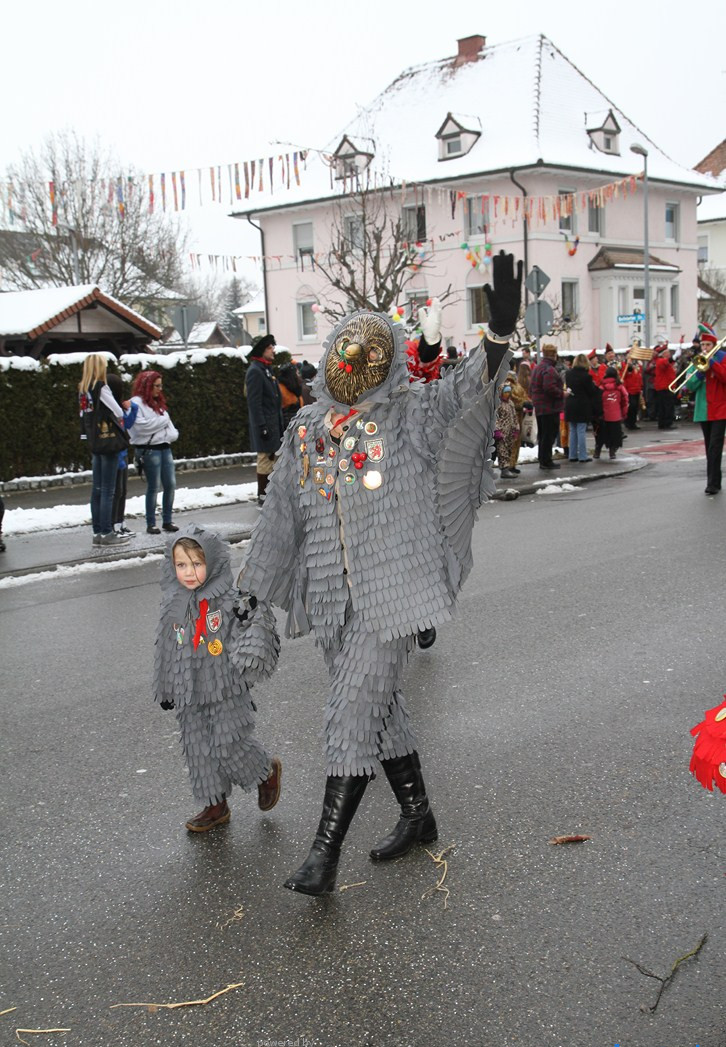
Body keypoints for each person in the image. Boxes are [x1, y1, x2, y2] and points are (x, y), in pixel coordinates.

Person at [236, 250, 522, 896]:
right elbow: (279, 520)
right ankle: (418, 811)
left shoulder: (412, 414)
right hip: (334, 602)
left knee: (349, 712)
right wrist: (252, 597)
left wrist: (498, 337)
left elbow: (466, 390)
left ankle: (322, 855)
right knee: (380, 708)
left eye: (366, 353)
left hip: (394, 595)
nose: (352, 364)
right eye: (344, 351)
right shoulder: (306, 431)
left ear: (387, 359)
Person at [154, 526, 283, 832]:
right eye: (181, 565)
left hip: (226, 687)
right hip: (187, 690)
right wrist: (165, 687)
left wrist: (251, 630)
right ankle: (215, 805)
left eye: (196, 564)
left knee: (228, 744)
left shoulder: (229, 600)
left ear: (212, 563)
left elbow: (254, 624)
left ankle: (265, 772)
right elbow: (165, 650)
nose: (188, 572)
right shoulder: (173, 606)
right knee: (198, 748)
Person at [78, 354, 130, 547]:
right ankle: (108, 532)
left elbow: (83, 415)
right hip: (107, 442)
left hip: (94, 442)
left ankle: (97, 531)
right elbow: (117, 411)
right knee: (109, 489)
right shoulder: (101, 387)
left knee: (97, 489)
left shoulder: (83, 389)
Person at [128, 370, 179, 535]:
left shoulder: (158, 403)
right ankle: (151, 523)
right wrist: (162, 422)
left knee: (170, 484)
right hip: (149, 449)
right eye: (156, 386)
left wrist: (157, 424)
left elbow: (172, 432)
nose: (159, 389)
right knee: (153, 486)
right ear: (147, 386)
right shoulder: (136, 403)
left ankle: (167, 520)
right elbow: (140, 427)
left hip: (164, 447)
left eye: (160, 386)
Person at [684, 325, 726, 495]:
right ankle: (716, 479)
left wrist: (713, 365)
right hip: (703, 409)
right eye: (703, 345)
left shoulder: (722, 358)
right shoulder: (697, 360)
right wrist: (700, 374)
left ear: (714, 345)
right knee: (709, 446)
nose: (705, 348)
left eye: (708, 345)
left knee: (715, 447)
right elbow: (690, 386)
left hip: (720, 409)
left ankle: (712, 484)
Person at [245, 334, 284, 506]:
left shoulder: (266, 369)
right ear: (262, 351)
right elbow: (254, 403)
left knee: (274, 460)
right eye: (269, 348)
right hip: (265, 424)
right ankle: (263, 495)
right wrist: (261, 426)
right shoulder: (255, 371)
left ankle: (272, 494)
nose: (273, 351)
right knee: (265, 460)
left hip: (273, 423)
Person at [106, 373, 138, 538]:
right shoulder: (109, 408)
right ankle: (113, 524)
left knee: (123, 490)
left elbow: (128, 424)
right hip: (115, 454)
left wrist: (133, 409)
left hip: (123, 452)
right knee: (115, 491)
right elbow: (123, 424)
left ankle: (120, 521)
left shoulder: (118, 407)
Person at [530, 343, 564, 470]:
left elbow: (531, 387)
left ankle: (543, 458)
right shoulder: (549, 369)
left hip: (540, 406)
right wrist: (562, 393)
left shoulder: (538, 368)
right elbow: (549, 387)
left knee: (543, 435)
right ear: (554, 355)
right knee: (549, 435)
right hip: (549, 407)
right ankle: (546, 460)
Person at [564, 353, 597, 462]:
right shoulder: (586, 376)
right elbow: (591, 391)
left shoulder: (568, 374)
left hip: (570, 403)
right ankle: (583, 456)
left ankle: (572, 455)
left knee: (573, 430)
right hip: (582, 404)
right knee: (581, 430)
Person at [595, 366, 628, 459]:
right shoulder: (620, 387)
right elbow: (625, 401)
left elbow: (597, 401)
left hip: (604, 416)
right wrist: (624, 413)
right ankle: (612, 452)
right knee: (615, 435)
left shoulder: (601, 387)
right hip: (616, 416)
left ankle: (597, 451)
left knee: (601, 435)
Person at [494, 383, 520, 479]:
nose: (507, 394)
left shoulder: (510, 403)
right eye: (505, 392)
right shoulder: (497, 404)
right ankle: (504, 469)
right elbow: (495, 418)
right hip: (501, 432)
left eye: (509, 392)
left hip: (510, 432)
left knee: (509, 450)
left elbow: (514, 417)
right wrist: (496, 430)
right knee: (502, 451)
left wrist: (516, 429)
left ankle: (507, 467)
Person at [653, 345, 677, 430]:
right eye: (667, 352)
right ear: (663, 354)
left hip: (667, 386)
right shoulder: (661, 361)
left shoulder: (663, 361)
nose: (669, 353)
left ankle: (664, 423)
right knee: (666, 406)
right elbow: (666, 363)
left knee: (665, 406)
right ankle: (666, 423)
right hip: (664, 387)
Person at [277, 362, 305, 430]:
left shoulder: (296, 387)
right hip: (289, 426)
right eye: (297, 372)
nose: (298, 375)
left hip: (298, 423)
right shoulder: (280, 388)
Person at [622, 353, 643, 430]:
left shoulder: (636, 365)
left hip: (636, 389)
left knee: (635, 408)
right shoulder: (626, 365)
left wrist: (641, 387)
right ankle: (628, 422)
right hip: (629, 390)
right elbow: (626, 373)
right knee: (631, 406)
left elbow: (639, 377)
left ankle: (633, 422)